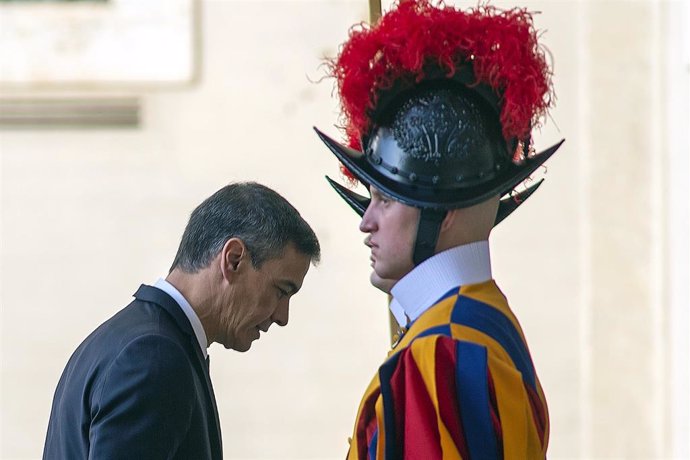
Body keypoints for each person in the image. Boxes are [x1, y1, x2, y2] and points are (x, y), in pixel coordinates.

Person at [315, 1, 564, 458]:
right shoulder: (486, 321)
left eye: (384, 199)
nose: (365, 223)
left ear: (441, 211)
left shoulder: (438, 352)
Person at [43, 182, 320, 459]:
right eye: (282, 291)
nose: (282, 316)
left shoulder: (122, 340)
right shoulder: (154, 358)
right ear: (234, 260)